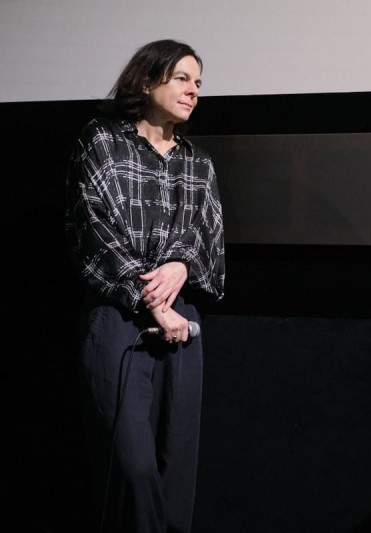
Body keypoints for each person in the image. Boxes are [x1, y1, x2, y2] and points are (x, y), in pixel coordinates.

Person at [65, 39, 225, 532]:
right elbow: (93, 232)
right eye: (182, 78)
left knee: (174, 470)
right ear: (146, 80)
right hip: (120, 317)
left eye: (198, 83)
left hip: (183, 321)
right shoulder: (101, 142)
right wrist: (151, 299)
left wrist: (181, 265)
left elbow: (210, 247)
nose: (193, 90)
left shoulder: (198, 163)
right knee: (131, 467)